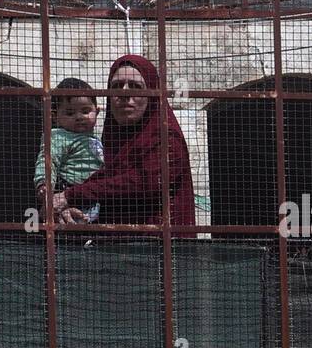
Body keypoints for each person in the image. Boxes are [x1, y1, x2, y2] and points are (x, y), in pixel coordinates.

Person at [53, 55, 195, 226]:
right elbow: (105, 177)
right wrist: (65, 203)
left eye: (135, 86)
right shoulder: (115, 139)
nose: (125, 93)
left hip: (160, 245)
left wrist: (71, 196)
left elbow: (143, 182)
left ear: (151, 94)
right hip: (114, 245)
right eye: (117, 86)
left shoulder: (167, 138)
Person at [35, 77, 104, 223]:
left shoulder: (95, 139)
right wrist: (45, 183)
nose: (79, 117)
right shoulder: (58, 136)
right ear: (55, 116)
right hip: (67, 187)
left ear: (96, 112)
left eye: (85, 111)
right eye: (70, 113)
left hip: (90, 193)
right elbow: (48, 159)